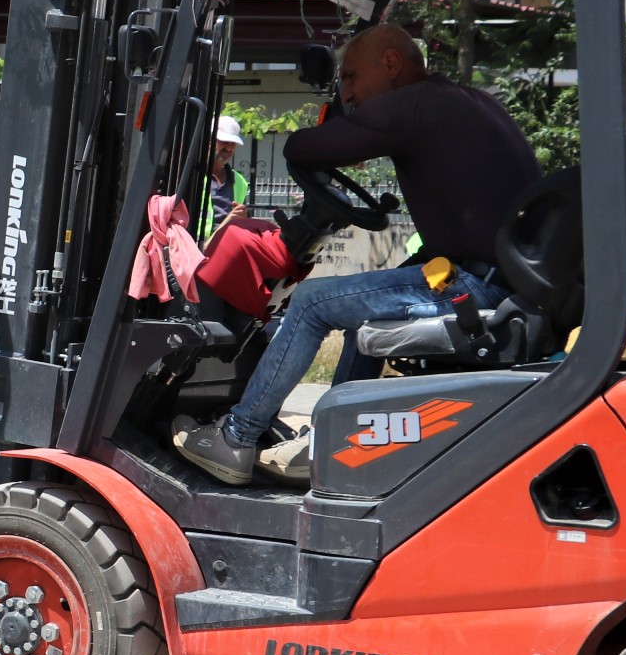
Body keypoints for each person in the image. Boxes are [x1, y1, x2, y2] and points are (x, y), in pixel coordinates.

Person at [173, 24, 540, 485]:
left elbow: (302, 147)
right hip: (491, 281)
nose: (347, 92)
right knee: (357, 312)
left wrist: (343, 123)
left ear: (391, 63)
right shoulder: (463, 101)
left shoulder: (415, 104)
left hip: (471, 287)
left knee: (310, 303)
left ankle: (236, 437)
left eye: (350, 78)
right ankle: (333, 442)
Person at [195, 114, 251, 238]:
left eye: (233, 144)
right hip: (193, 245)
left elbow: (245, 221)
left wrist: (242, 217)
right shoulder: (193, 175)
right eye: (225, 142)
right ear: (209, 141)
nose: (229, 148)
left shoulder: (239, 181)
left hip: (226, 244)